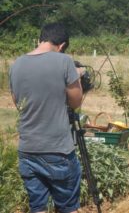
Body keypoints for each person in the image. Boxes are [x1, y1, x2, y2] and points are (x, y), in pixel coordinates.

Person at [9, 22, 83, 213]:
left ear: (41, 39)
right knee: (67, 207)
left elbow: (19, 104)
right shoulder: (64, 61)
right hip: (57, 150)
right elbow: (75, 102)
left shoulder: (16, 64)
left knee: (38, 207)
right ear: (62, 45)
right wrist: (78, 78)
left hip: (28, 150)